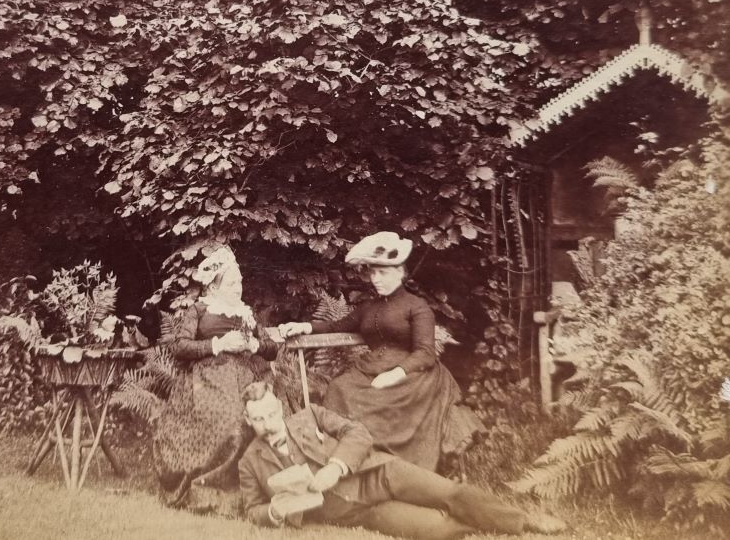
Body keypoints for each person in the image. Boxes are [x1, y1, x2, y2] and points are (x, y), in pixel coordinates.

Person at [239, 382, 566, 539]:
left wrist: (335, 467)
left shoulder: (309, 415)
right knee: (435, 530)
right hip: (356, 512)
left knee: (449, 492)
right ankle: (479, 525)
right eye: (258, 419)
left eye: (271, 414)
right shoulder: (249, 462)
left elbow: (358, 432)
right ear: (248, 420)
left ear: (280, 407)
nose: (268, 424)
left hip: (379, 474)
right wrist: (275, 511)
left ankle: (523, 521)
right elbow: (253, 508)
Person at [279, 231, 481, 471]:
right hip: (372, 368)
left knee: (379, 399)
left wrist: (395, 374)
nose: (376, 279)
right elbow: (336, 326)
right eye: (373, 272)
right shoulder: (369, 307)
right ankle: (345, 459)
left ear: (399, 272)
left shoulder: (417, 306)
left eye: (383, 273)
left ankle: (392, 465)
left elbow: (426, 353)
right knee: (340, 387)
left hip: (414, 375)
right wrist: (305, 326)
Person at [152, 245, 279, 513]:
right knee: (229, 423)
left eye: (240, 282)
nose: (238, 288)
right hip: (205, 378)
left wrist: (254, 345)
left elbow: (272, 350)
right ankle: (211, 491)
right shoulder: (199, 310)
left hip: (244, 377)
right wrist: (218, 344)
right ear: (214, 287)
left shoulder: (245, 313)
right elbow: (180, 347)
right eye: (231, 283)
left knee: (250, 419)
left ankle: (252, 489)